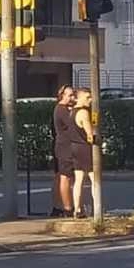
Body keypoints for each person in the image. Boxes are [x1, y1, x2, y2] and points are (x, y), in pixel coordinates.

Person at [70, 88, 96, 219]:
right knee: (94, 179)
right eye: (87, 97)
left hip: (75, 147)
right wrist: (95, 133)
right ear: (78, 98)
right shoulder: (84, 113)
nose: (90, 100)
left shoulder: (71, 112)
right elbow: (90, 134)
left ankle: (77, 208)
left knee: (78, 179)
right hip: (86, 148)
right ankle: (97, 208)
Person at [51, 85, 76, 217]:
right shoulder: (62, 110)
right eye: (70, 95)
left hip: (61, 146)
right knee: (65, 177)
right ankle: (67, 208)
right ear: (62, 96)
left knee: (60, 177)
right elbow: (74, 124)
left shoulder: (62, 109)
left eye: (73, 95)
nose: (73, 98)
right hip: (65, 147)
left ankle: (57, 207)